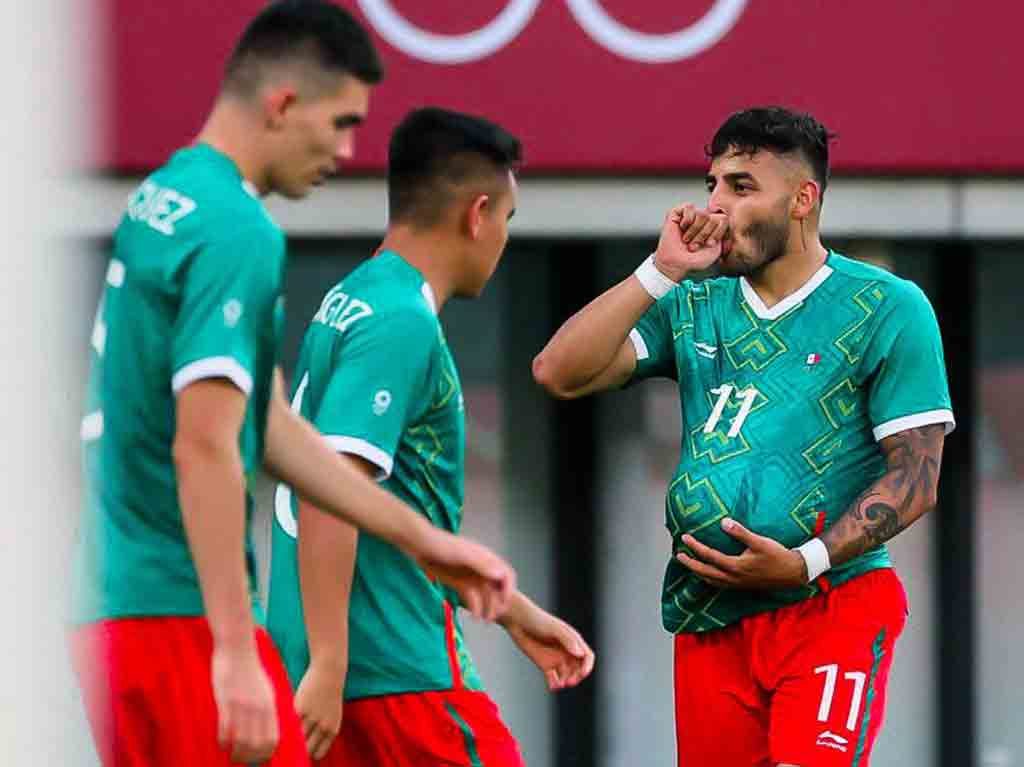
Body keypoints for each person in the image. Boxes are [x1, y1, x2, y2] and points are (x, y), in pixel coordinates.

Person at [70, 6, 515, 766]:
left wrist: (425, 538)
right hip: (181, 615)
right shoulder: (238, 231)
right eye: (341, 123)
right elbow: (205, 443)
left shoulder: (164, 198)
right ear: (282, 103)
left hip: (114, 607)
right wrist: (238, 650)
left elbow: (266, 425)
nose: (346, 150)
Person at [532, 106, 953, 767]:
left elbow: (917, 478)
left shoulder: (887, 306)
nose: (716, 206)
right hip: (710, 613)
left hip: (831, 603)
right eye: (712, 185)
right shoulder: (693, 302)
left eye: (742, 186)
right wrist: (658, 271)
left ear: (802, 199)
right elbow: (558, 371)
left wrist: (806, 559)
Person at [267, 107, 595, 766]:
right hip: (399, 681)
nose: (502, 238)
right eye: (506, 218)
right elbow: (332, 488)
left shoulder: (350, 300)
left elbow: (398, 509)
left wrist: (515, 612)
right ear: (477, 215)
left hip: (324, 666)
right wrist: (331, 662)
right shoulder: (401, 323)